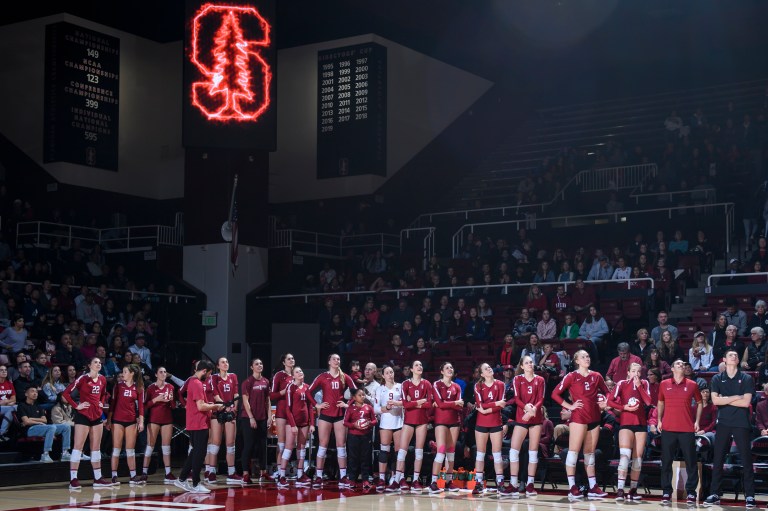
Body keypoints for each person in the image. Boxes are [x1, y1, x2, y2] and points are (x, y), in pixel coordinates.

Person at [551, 350, 609, 499]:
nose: (586, 358)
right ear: (576, 360)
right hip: (578, 418)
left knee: (590, 453)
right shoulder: (571, 376)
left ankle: (593, 487)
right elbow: (554, 394)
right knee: (573, 452)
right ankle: (572, 487)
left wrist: (605, 402)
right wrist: (569, 406)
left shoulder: (596, 376)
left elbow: (608, 393)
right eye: (583, 357)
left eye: (588, 356)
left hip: (595, 418)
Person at [703, 348, 756, 508]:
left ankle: (750, 496)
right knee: (718, 459)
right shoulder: (717, 379)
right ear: (724, 360)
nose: (734, 356)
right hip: (723, 423)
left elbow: (746, 403)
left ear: (738, 361)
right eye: (731, 355)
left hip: (741, 423)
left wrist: (725, 399)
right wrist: (735, 397)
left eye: (736, 355)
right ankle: (715, 493)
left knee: (746, 460)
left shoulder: (746, 378)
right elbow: (715, 401)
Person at [61, 357, 111, 490]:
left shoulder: (103, 379)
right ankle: (73, 479)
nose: (98, 364)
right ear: (89, 365)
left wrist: (101, 402)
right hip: (83, 415)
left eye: (100, 362)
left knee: (96, 448)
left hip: (97, 415)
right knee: (78, 447)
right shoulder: (83, 378)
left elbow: (105, 394)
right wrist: (76, 406)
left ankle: (98, 478)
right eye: (95, 362)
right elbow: (66, 393)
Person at [657, 359, 702, 505]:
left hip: (687, 428)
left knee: (691, 462)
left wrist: (697, 421)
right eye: (678, 364)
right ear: (672, 368)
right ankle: (666, 492)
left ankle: (691, 493)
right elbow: (660, 402)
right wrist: (659, 420)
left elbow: (700, 402)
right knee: (666, 462)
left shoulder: (692, 384)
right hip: (668, 428)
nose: (681, 366)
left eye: (683, 364)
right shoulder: (664, 384)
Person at [308, 353, 357, 489]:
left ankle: (343, 477)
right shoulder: (323, 376)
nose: (337, 361)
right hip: (325, 415)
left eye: (339, 359)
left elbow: (356, 391)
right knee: (322, 445)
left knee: (341, 445)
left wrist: (348, 403)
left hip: (340, 415)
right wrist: (316, 404)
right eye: (334, 359)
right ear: (329, 361)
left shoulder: (344, 377)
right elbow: (308, 391)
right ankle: (318, 477)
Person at [176, 360, 224, 494]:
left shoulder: (193, 381)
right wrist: (215, 406)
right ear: (204, 371)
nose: (209, 377)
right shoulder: (196, 383)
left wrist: (211, 404)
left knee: (196, 451)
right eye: (208, 374)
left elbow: (200, 403)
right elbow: (201, 406)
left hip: (197, 421)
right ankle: (196, 483)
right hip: (198, 422)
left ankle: (182, 478)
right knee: (199, 453)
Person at [607, 362, 651, 501]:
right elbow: (610, 401)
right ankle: (620, 489)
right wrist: (624, 407)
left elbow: (648, 402)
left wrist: (639, 387)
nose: (636, 374)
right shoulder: (621, 383)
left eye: (638, 372)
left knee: (637, 458)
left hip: (641, 424)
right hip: (626, 423)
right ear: (628, 372)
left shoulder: (644, 383)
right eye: (633, 371)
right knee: (625, 456)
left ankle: (633, 490)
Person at [507, 355, 546, 497]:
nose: (530, 364)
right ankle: (513, 483)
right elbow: (517, 399)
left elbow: (541, 398)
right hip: (522, 417)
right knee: (513, 451)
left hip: (535, 418)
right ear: (522, 366)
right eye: (527, 363)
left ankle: (530, 484)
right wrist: (526, 409)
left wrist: (533, 410)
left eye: (531, 362)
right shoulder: (517, 379)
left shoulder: (540, 379)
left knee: (533, 452)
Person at [392, 360, 432, 493]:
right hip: (408, 420)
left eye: (421, 365)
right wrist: (420, 401)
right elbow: (405, 404)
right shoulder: (405, 384)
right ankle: (397, 480)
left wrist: (413, 402)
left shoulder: (426, 383)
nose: (419, 367)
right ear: (411, 369)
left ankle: (415, 480)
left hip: (422, 421)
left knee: (419, 451)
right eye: (416, 365)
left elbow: (430, 403)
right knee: (402, 451)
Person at [471, 362, 507, 495]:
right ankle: (478, 482)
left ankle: (500, 483)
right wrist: (494, 404)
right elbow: (480, 404)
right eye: (486, 368)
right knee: (480, 453)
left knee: (497, 454)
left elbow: (502, 404)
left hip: (496, 422)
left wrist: (487, 409)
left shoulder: (500, 384)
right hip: (481, 423)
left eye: (490, 367)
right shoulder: (478, 386)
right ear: (481, 374)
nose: (489, 368)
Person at [428, 362, 464, 494]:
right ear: (442, 371)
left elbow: (460, 406)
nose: (450, 369)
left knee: (451, 452)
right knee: (441, 450)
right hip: (441, 421)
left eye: (451, 367)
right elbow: (439, 404)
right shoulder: (437, 384)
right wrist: (453, 403)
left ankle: (449, 482)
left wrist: (448, 404)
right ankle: (433, 482)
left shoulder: (457, 386)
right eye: (447, 368)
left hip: (455, 421)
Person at [106, 364, 145, 486]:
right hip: (117, 420)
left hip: (131, 421)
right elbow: (112, 404)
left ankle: (133, 476)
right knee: (116, 449)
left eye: (125, 372)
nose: (123, 374)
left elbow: (142, 407)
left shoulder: (138, 387)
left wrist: (141, 421)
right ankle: (114, 476)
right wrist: (109, 420)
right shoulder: (118, 386)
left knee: (130, 450)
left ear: (132, 373)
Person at [277, 366, 315, 488]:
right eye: (297, 372)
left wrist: (312, 423)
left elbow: (310, 407)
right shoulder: (290, 387)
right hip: (293, 423)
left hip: (304, 423)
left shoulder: (307, 387)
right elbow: (287, 408)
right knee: (288, 448)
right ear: (293, 376)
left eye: (301, 371)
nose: (300, 373)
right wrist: (293, 425)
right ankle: (281, 476)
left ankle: (300, 475)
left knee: (302, 448)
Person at [206, 357, 241, 484]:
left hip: (230, 411)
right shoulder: (214, 378)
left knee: (231, 443)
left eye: (227, 361)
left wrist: (234, 408)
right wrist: (225, 407)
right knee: (215, 442)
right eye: (223, 362)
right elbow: (215, 395)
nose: (226, 364)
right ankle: (211, 472)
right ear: (218, 366)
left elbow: (236, 394)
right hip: (218, 411)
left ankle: (231, 473)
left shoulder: (233, 376)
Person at [17, 386, 71, 462]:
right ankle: (45, 454)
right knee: (51, 428)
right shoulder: (21, 406)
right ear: (26, 394)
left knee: (66, 427)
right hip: (29, 429)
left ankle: (65, 452)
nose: (35, 393)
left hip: (41, 427)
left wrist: (31, 419)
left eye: (36, 392)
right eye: (32, 391)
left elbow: (44, 420)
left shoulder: (38, 407)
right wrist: (38, 422)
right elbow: (26, 422)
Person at [143, 366, 177, 484]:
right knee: (150, 446)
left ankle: (168, 473)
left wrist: (172, 400)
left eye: (165, 372)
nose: (163, 374)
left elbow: (173, 406)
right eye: (161, 372)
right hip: (153, 419)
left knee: (166, 446)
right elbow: (145, 405)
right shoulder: (151, 388)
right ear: (156, 375)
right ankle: (144, 473)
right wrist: (156, 400)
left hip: (167, 419)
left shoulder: (170, 387)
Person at [240, 358, 271, 485]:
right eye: (256, 364)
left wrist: (269, 416)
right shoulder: (247, 382)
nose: (259, 365)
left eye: (261, 363)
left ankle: (263, 471)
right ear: (252, 367)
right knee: (249, 445)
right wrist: (251, 417)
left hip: (262, 417)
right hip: (249, 418)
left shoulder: (266, 381)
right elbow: (245, 401)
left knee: (263, 445)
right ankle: (246, 473)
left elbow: (267, 400)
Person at [376, 366, 405, 492]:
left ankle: (399, 477)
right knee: (384, 451)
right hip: (385, 423)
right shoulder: (379, 389)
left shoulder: (401, 386)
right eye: (387, 373)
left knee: (399, 452)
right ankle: (382, 478)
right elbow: (375, 409)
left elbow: (406, 402)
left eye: (391, 372)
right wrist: (386, 408)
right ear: (383, 375)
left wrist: (397, 404)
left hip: (398, 422)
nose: (389, 374)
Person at [343, 387, 377, 490]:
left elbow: (375, 421)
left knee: (365, 457)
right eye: (360, 395)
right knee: (353, 457)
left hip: (366, 436)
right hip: (353, 436)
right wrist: (354, 425)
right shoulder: (350, 408)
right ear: (354, 397)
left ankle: (365, 480)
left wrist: (369, 423)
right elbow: (345, 422)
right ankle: (352, 480)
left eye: (363, 395)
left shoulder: (368, 407)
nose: (362, 397)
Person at [269, 353, 295, 480]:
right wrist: (283, 392)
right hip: (281, 412)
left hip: (293, 413)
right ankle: (279, 471)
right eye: (288, 359)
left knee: (290, 444)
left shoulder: (297, 374)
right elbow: (271, 395)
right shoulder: (279, 375)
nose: (291, 360)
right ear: (284, 362)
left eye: (292, 358)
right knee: (281, 443)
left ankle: (285, 469)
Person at [0, 364, 16, 441]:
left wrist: (6, 401)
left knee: (14, 408)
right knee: (13, 408)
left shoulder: (9, 383)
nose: (4, 371)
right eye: (1, 370)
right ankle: (2, 433)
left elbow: (14, 398)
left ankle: (2, 433)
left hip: (7, 406)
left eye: (5, 370)